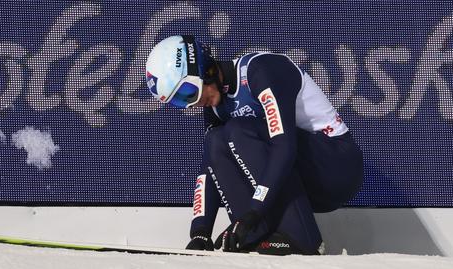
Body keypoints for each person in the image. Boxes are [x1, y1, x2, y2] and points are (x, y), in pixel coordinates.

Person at [145, 35, 364, 255]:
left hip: (337, 166)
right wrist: (200, 232)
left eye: (188, 93)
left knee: (238, 130)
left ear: (206, 70)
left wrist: (253, 213)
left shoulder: (260, 70)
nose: (191, 104)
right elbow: (209, 167)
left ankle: (302, 238)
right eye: (179, 102)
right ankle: (258, 234)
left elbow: (284, 146)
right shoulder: (215, 105)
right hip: (299, 175)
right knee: (216, 140)